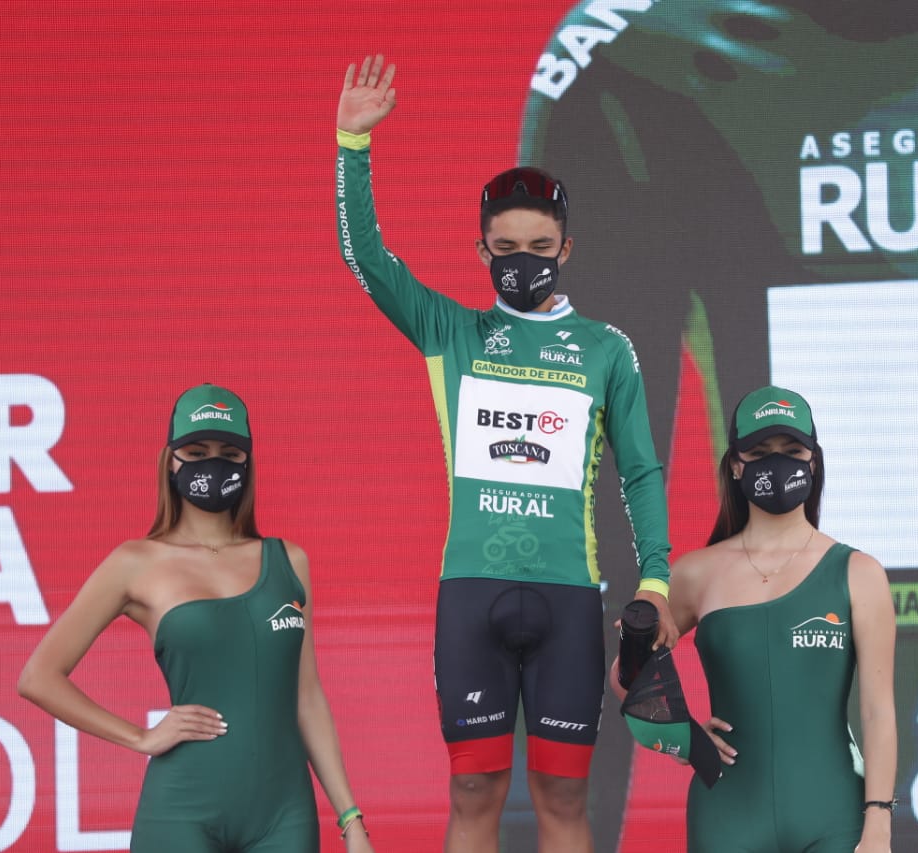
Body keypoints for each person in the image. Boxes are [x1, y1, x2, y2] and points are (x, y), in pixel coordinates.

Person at [335, 55, 679, 853]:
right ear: (482, 250)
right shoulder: (450, 332)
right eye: (506, 245)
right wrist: (353, 144)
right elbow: (366, 259)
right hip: (472, 596)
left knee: (564, 797)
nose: (524, 257)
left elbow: (640, 471)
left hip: (568, 600)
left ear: (567, 248)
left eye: (540, 244)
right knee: (472, 791)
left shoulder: (605, 348)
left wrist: (656, 578)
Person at [17, 383, 372, 853]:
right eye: (197, 451)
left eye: (229, 453)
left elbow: (306, 697)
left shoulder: (288, 561)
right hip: (182, 810)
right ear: (171, 460)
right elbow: (39, 678)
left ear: (247, 462)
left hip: (285, 814)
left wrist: (351, 820)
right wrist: (140, 737)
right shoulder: (135, 563)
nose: (214, 464)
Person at [664, 385, 897, 852]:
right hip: (726, 816)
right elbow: (629, 671)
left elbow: (877, 711)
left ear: (813, 461)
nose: (776, 464)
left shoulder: (859, 573)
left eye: (791, 451)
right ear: (735, 464)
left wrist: (879, 822)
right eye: (759, 452)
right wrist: (677, 734)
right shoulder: (693, 574)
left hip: (836, 816)